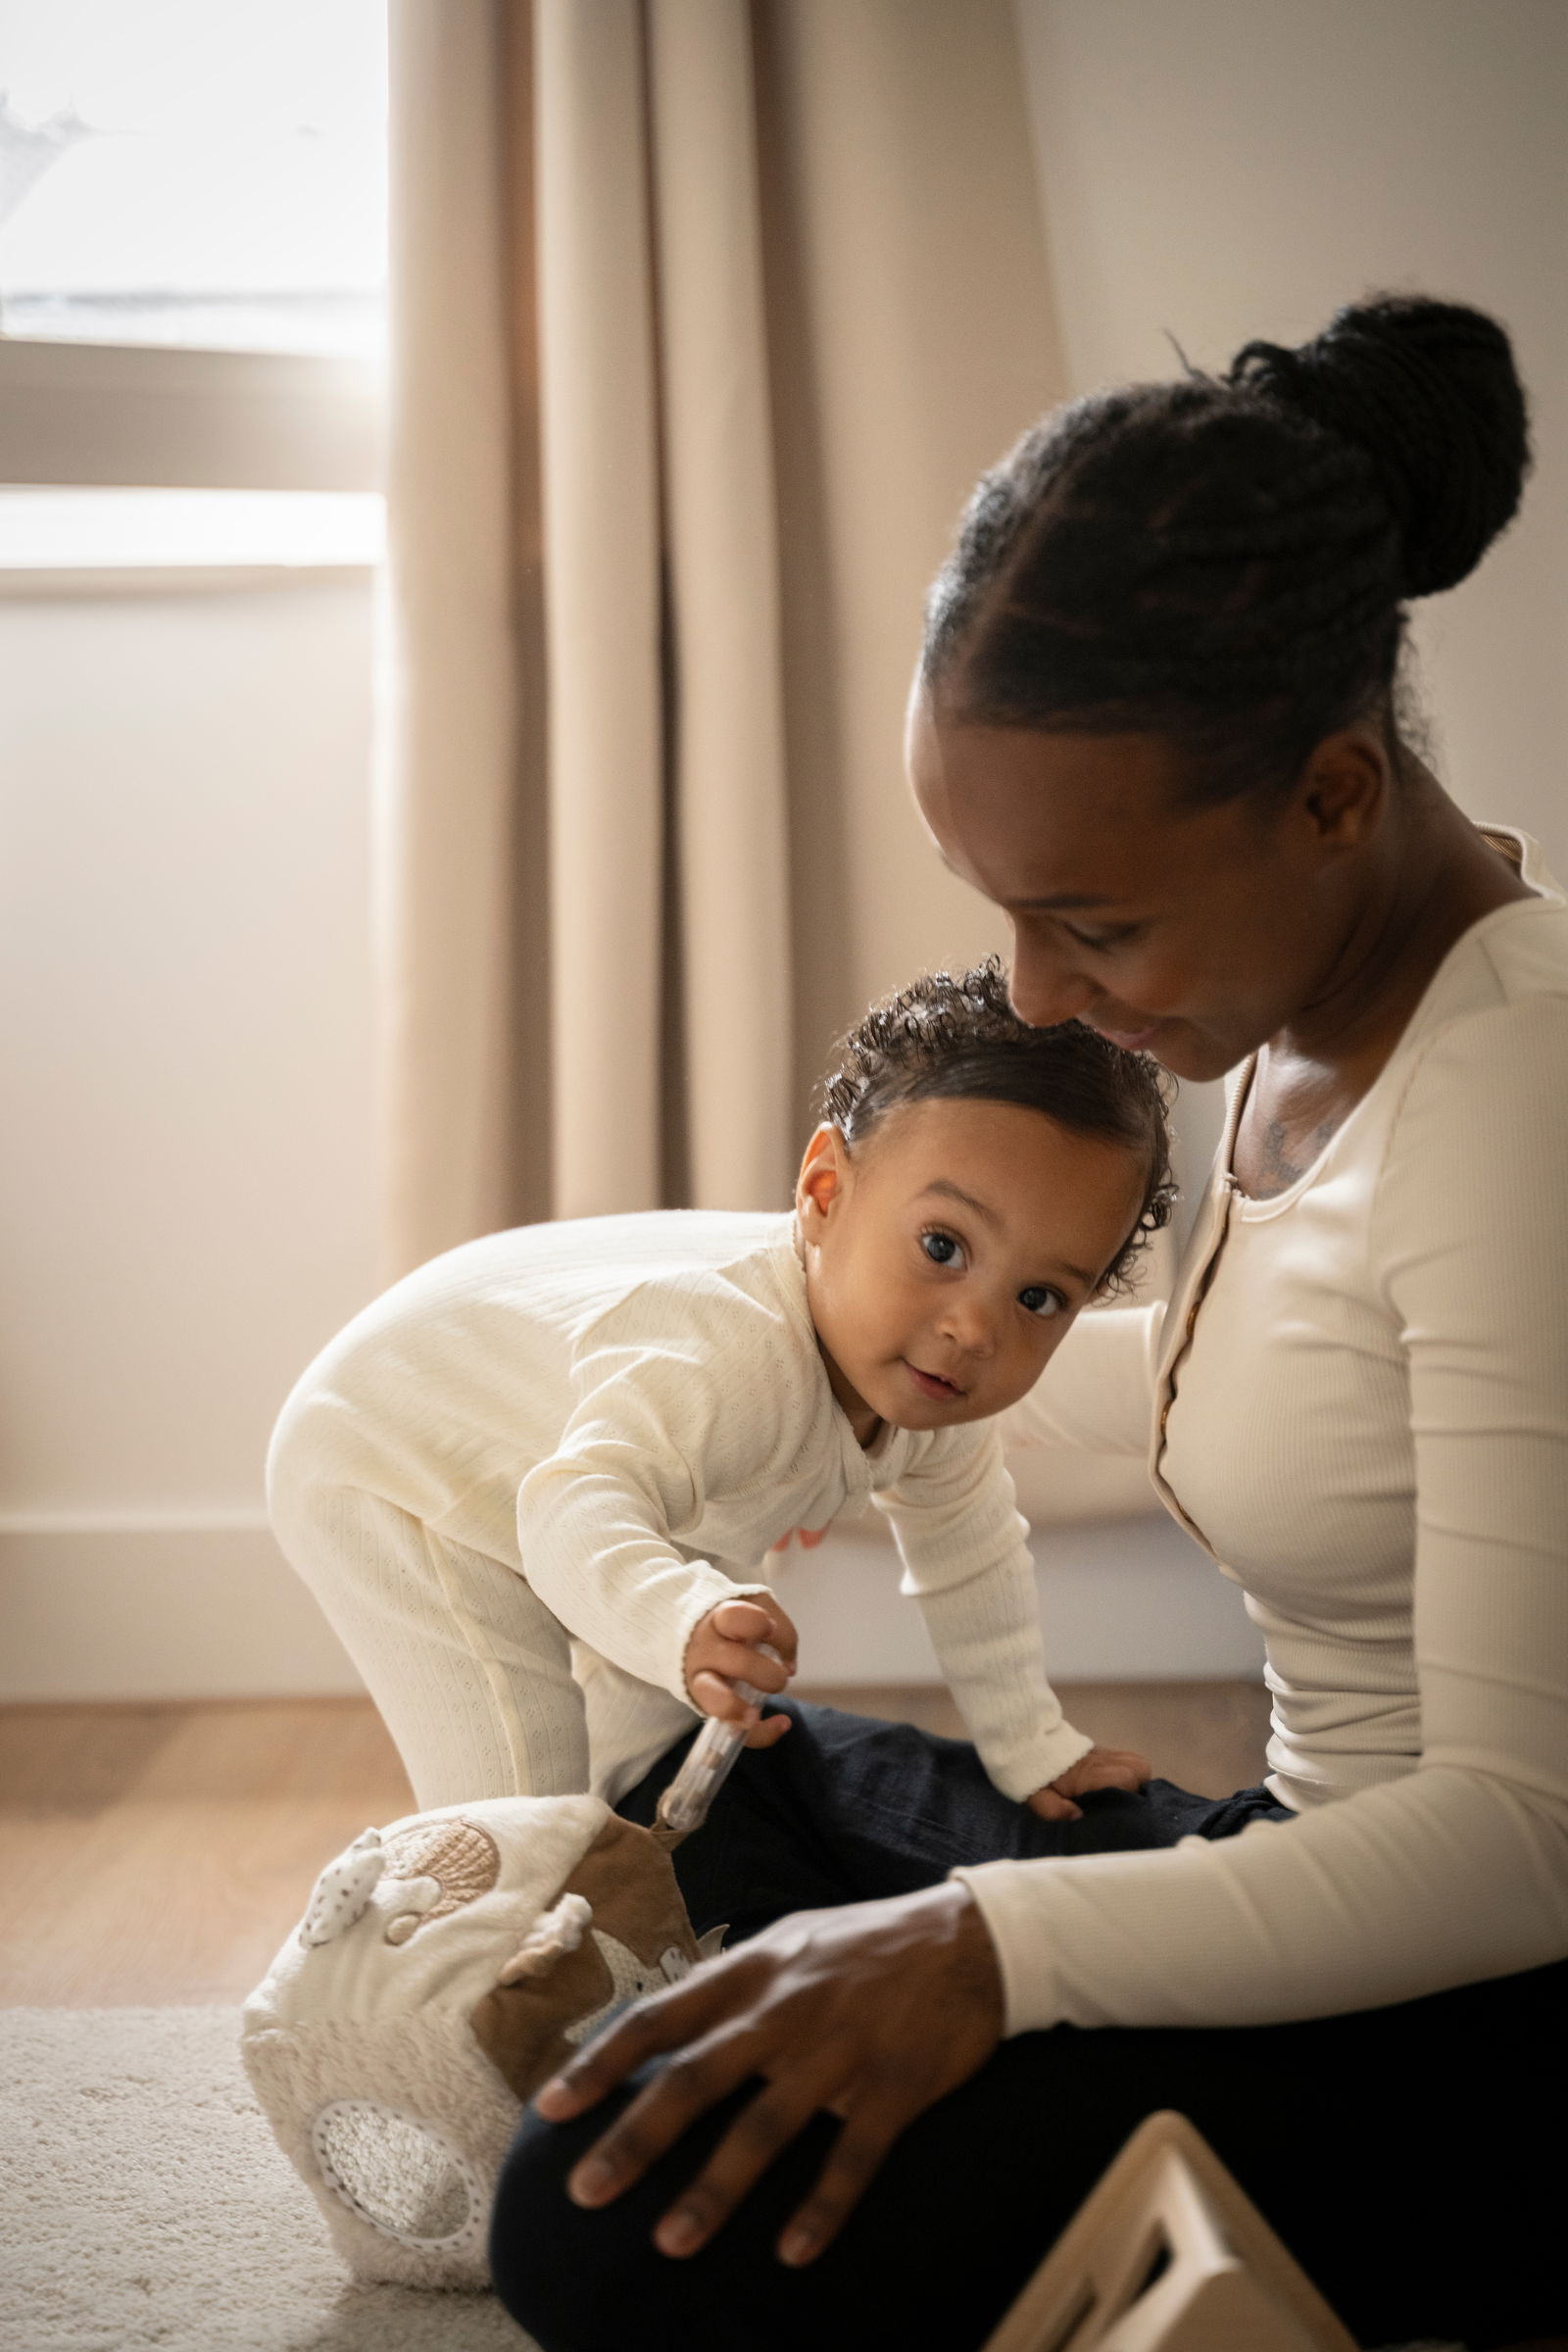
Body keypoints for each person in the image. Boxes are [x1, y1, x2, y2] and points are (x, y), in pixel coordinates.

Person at [488, 294, 1568, 2352]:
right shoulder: (1293, 1010)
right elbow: (1304, 1409)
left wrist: (993, 1951)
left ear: (1330, 796)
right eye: (1003, 914)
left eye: (1090, 922)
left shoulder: (1513, 1102)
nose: (1043, 997)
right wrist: (799, 1393)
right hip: (1315, 1852)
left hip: (1485, 1995)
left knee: (595, 2206)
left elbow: (1524, 1836)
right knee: (759, 1782)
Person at [269, 963, 1176, 1834]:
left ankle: (616, 1894)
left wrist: (1032, 1750)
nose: (978, 1329)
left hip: (557, 1449)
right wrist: (678, 1617)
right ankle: (451, 1966)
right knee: (524, 1802)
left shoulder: (933, 1394)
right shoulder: (727, 1356)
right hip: (392, 1453)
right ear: (825, 1193)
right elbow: (569, 1511)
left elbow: (971, 1558)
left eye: (1039, 1299)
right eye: (942, 1247)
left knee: (644, 1749)